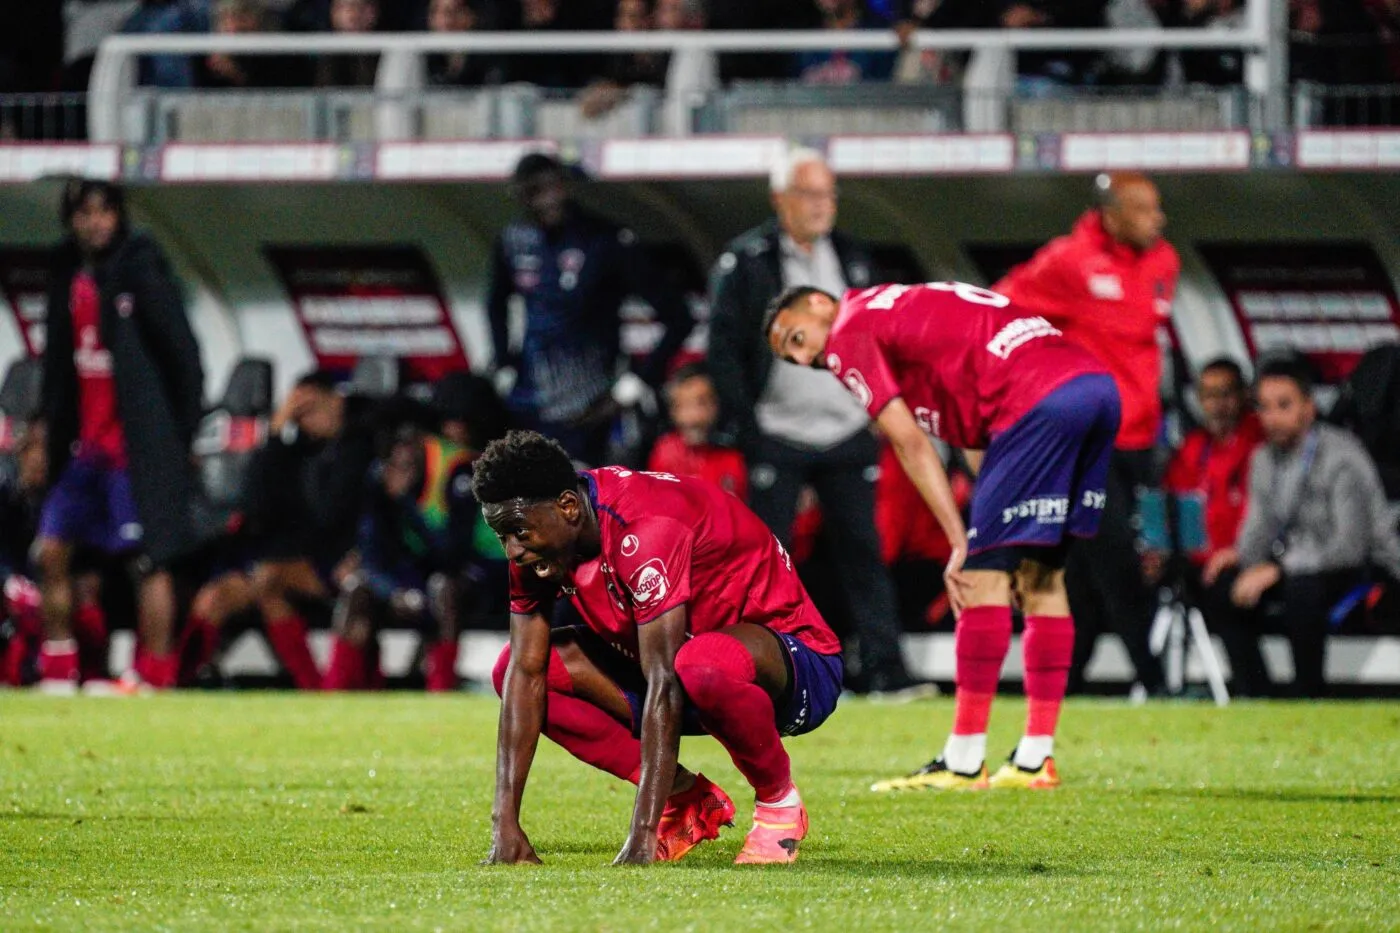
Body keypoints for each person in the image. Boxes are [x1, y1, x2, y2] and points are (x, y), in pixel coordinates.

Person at [766, 281, 1118, 790]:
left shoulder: (849, 328)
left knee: (980, 577)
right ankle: (1036, 757)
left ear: (821, 304)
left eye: (797, 339)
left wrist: (963, 541)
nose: (804, 360)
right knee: (1041, 577)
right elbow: (983, 442)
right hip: (1091, 389)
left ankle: (963, 758)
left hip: (1036, 399)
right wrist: (991, 521)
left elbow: (909, 442)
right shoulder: (905, 315)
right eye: (791, 359)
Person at [478, 431, 842, 865]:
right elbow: (526, 672)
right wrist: (505, 824)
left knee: (700, 666)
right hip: (682, 676)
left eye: (517, 531)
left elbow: (665, 679)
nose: (512, 550)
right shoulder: (541, 538)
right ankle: (685, 796)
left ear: (569, 507)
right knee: (514, 670)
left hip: (794, 666)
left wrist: (642, 835)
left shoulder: (644, 527)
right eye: (502, 535)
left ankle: (779, 803)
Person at [708, 147, 920, 697]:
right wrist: (749, 429)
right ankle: (778, 675)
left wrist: (876, 406)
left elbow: (881, 330)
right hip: (777, 431)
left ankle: (884, 671)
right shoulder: (747, 260)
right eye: (810, 193)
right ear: (780, 199)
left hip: (848, 430)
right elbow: (724, 350)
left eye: (829, 193)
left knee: (864, 554)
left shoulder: (852, 256)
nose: (823, 205)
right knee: (769, 561)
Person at [996, 171, 1178, 697]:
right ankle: (1156, 684)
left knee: (1099, 569)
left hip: (1143, 440)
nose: (1157, 219)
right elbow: (1002, 308)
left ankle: (1063, 684)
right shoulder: (1067, 262)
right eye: (1145, 210)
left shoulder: (1165, 261)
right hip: (1086, 442)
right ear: (1112, 215)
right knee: (1117, 560)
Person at [36, 180, 205, 693]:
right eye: (85, 214)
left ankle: (152, 675)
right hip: (84, 448)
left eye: (105, 212)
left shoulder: (143, 269)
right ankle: (60, 668)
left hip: (137, 449)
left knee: (148, 561)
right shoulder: (66, 274)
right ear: (70, 220)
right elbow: (58, 366)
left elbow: (184, 356)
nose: (96, 223)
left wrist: (179, 436)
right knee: (50, 550)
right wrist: (47, 427)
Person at [1200, 355, 1400, 698]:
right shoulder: (1263, 458)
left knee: (1301, 590)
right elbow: (1259, 528)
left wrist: (1277, 569)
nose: (1272, 418)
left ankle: (1309, 693)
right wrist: (1239, 556)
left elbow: (1348, 546)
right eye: (1264, 407)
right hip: (1296, 563)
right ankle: (1256, 693)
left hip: (1362, 566)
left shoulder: (1342, 456)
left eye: (1283, 406)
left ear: (1308, 408)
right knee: (1222, 584)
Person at [487, 153, 689, 466]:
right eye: (535, 191)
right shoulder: (514, 240)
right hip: (530, 404)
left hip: (591, 408)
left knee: (584, 503)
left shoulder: (605, 240)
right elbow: (495, 301)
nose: (548, 199)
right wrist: (504, 361)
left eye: (553, 187)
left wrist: (637, 382)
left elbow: (679, 316)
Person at [325, 428, 505, 691]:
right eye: (394, 466)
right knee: (357, 590)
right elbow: (372, 550)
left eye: (408, 466)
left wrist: (407, 504)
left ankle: (440, 691)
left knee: (443, 589)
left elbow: (452, 553)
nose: (400, 474)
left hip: (478, 568)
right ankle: (337, 692)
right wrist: (396, 591)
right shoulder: (380, 481)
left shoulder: (457, 471)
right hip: (416, 571)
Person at [240, 371, 381, 690]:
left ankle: (332, 690)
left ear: (336, 400)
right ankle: (312, 686)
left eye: (310, 409)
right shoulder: (298, 453)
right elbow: (254, 502)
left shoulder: (366, 441)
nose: (305, 421)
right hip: (319, 561)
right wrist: (276, 431)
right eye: (297, 415)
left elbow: (350, 511)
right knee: (264, 581)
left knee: (352, 589)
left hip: (366, 558)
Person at [1145, 358, 1262, 591]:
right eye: (1209, 395)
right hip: (1198, 559)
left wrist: (1235, 553)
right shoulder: (1193, 448)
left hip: (1246, 557)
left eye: (1225, 394)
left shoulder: (1261, 444)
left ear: (1244, 395)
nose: (1217, 405)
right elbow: (1165, 501)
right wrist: (1155, 550)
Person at [646, 362, 747, 499]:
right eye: (684, 406)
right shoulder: (664, 453)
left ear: (715, 406)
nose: (694, 417)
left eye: (702, 404)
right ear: (672, 411)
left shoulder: (731, 458)